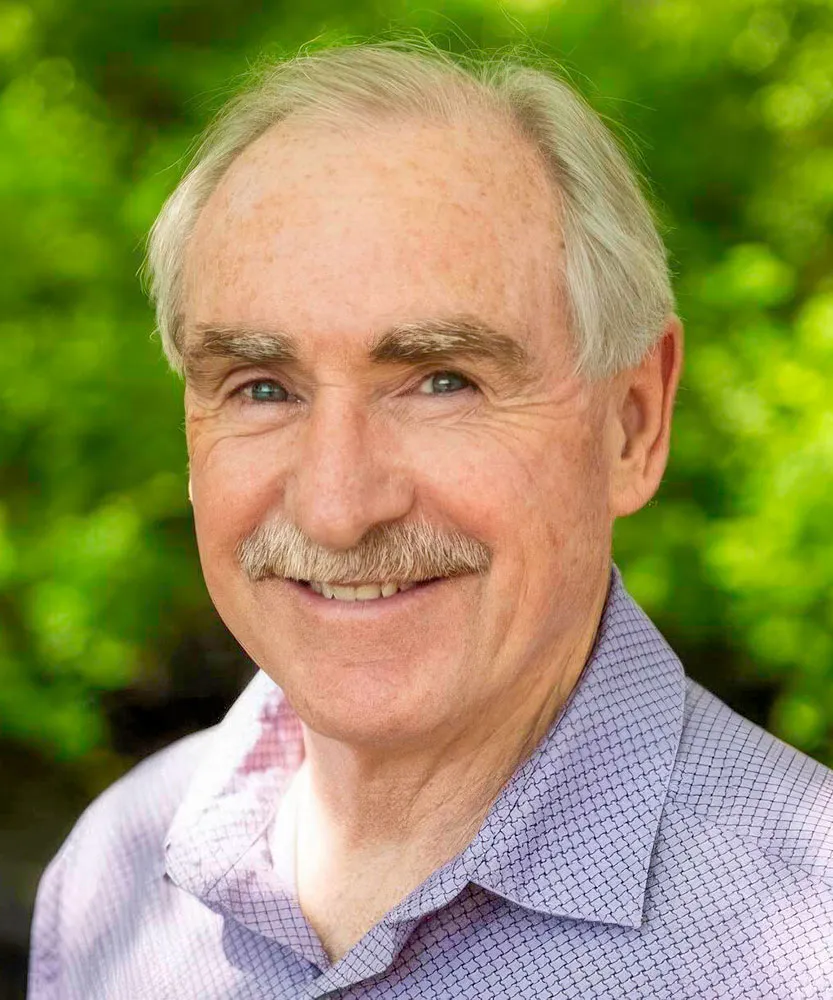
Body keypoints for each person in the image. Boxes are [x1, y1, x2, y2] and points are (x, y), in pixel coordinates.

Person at [27, 40, 832, 1000]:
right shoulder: (112, 876)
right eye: (261, 388)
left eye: (442, 380)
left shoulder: (804, 939)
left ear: (633, 423)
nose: (335, 508)